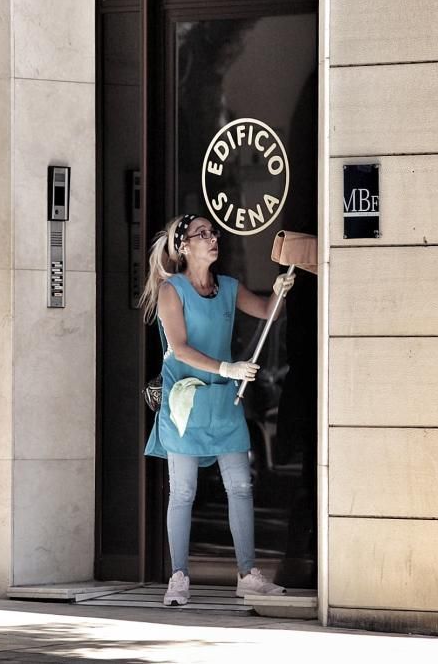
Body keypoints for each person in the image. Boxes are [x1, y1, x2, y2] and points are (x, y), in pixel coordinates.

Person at [139, 214, 295, 607]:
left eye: (214, 233)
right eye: (202, 234)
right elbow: (180, 348)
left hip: (223, 403)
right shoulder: (171, 291)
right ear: (184, 246)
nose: (213, 239)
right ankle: (178, 578)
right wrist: (228, 367)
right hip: (186, 405)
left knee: (241, 487)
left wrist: (279, 290)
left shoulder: (227, 287)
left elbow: (267, 311)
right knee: (184, 492)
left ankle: (248, 575)